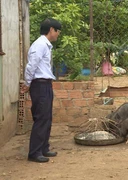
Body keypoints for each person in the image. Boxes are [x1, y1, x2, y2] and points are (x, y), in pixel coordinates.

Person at [20, 18, 61, 163]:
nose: (58, 34)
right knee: (41, 118)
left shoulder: (45, 45)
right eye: (58, 31)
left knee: (47, 117)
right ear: (51, 30)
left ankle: (43, 148)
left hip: (45, 84)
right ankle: (34, 152)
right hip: (39, 84)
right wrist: (28, 82)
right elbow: (32, 65)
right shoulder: (39, 45)